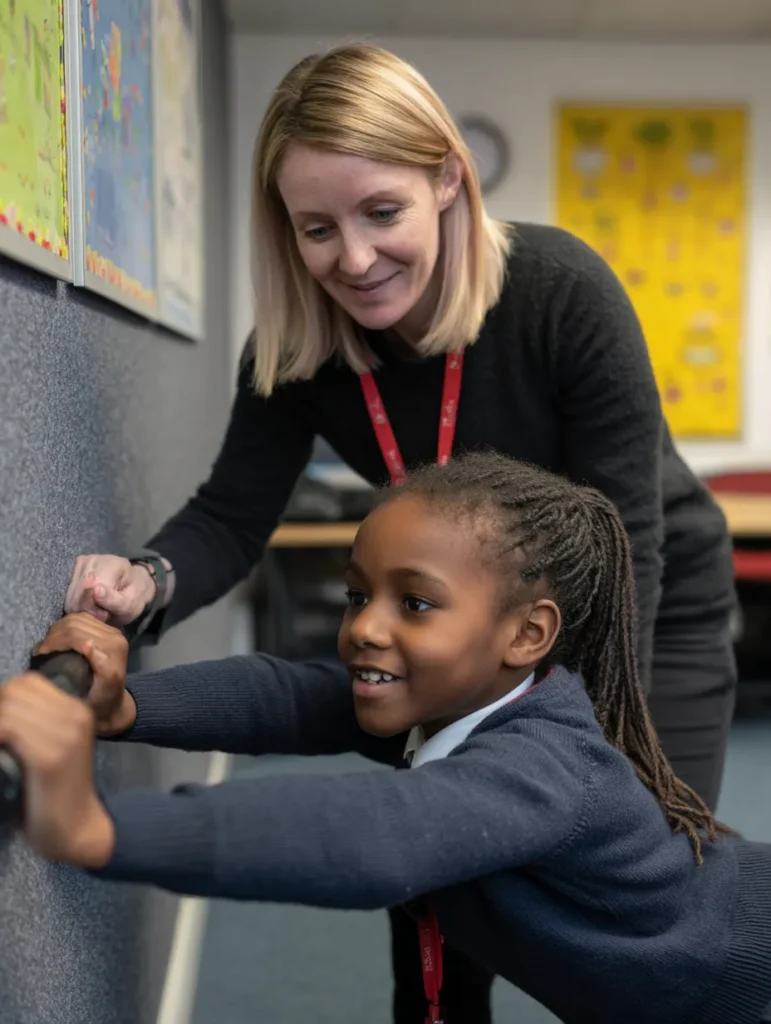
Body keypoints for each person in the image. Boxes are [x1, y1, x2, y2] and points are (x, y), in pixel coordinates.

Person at [59, 42, 737, 1024]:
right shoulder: (296, 351)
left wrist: (584, 755)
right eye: (317, 229)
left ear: (447, 182)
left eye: (383, 212)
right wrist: (148, 579)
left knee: (634, 905)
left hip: (644, 608)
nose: (356, 258)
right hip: (462, 614)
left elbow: (627, 541)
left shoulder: (560, 292)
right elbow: (229, 514)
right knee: (437, 885)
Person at [2, 453, 769, 1024]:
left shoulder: (540, 765)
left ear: (526, 633)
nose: (365, 628)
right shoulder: (449, 698)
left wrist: (99, 827)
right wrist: (121, 706)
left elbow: (377, 836)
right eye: (358, 595)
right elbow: (289, 697)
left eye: (415, 603)